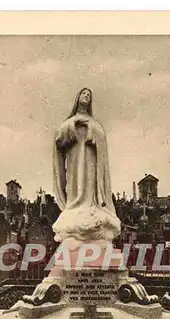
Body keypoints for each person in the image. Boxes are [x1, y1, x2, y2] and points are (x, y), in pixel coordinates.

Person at [52, 88, 121, 243]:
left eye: (89, 95)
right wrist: (73, 125)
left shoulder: (95, 124)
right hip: (75, 160)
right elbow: (59, 138)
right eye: (84, 94)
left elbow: (101, 138)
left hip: (90, 160)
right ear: (78, 98)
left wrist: (91, 130)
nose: (86, 96)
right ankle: (76, 205)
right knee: (76, 183)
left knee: (89, 182)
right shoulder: (69, 122)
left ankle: (91, 204)